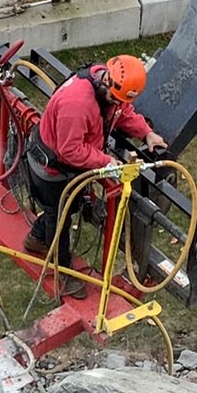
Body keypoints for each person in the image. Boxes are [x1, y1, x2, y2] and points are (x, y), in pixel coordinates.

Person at [24, 55, 169, 294]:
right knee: (59, 218)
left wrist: (147, 133)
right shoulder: (78, 104)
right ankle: (65, 273)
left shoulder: (110, 86)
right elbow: (69, 150)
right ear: (106, 83)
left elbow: (123, 112)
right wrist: (105, 161)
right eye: (115, 98)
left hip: (68, 165)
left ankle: (36, 239)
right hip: (51, 169)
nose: (116, 103)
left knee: (68, 208)